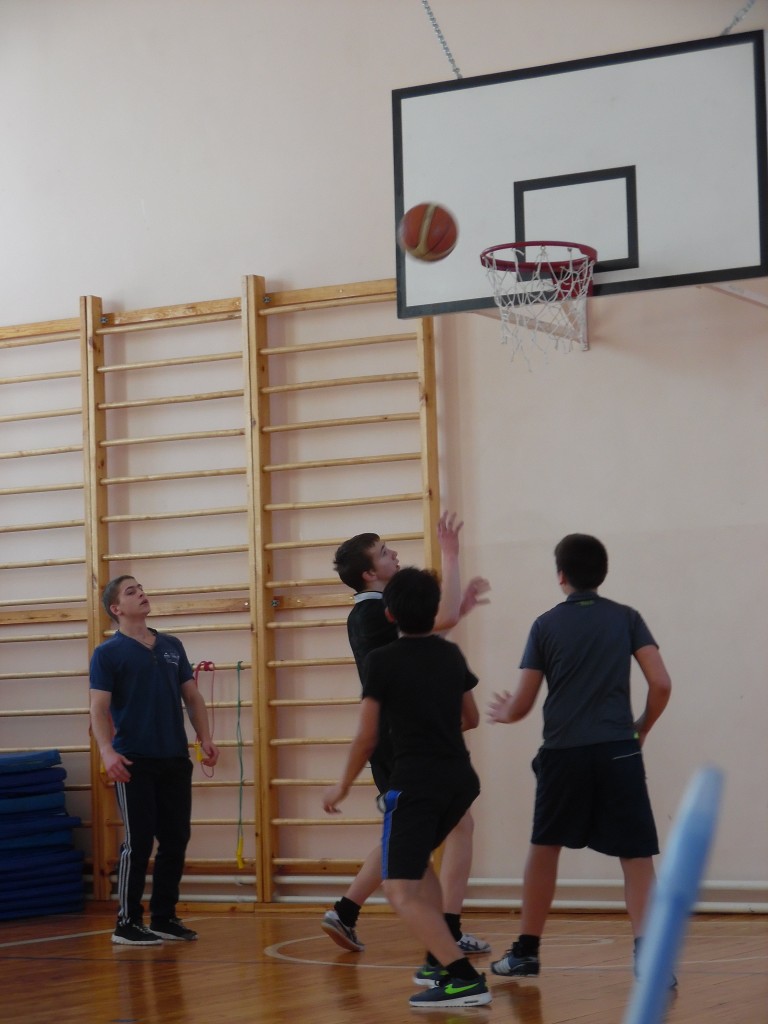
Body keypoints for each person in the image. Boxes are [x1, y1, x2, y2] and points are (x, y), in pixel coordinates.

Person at [487, 534, 672, 982]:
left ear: (561, 575)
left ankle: (526, 952)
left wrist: (505, 712)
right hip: (618, 750)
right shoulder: (627, 618)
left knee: (544, 848)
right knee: (636, 855)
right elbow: (661, 683)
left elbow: (522, 703)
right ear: (602, 573)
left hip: (563, 755)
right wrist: (642, 727)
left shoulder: (545, 625)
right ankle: (650, 960)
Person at [321, 513, 491, 965]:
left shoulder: (376, 614)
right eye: (383, 553)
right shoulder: (370, 612)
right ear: (368, 574)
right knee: (450, 828)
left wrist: (457, 611)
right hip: (403, 745)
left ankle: (347, 910)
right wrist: (451, 556)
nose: (393, 554)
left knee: (414, 833)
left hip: (400, 744)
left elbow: (424, 636)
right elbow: (437, 626)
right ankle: (448, 932)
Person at [89, 575, 219, 946]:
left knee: (176, 839)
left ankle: (164, 918)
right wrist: (107, 751)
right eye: (131, 592)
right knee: (139, 841)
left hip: (174, 757)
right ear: (116, 608)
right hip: (134, 760)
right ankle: (127, 922)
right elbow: (98, 707)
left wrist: (205, 737)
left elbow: (192, 697)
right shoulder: (108, 654)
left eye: (141, 589)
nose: (142, 594)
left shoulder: (172, 646)